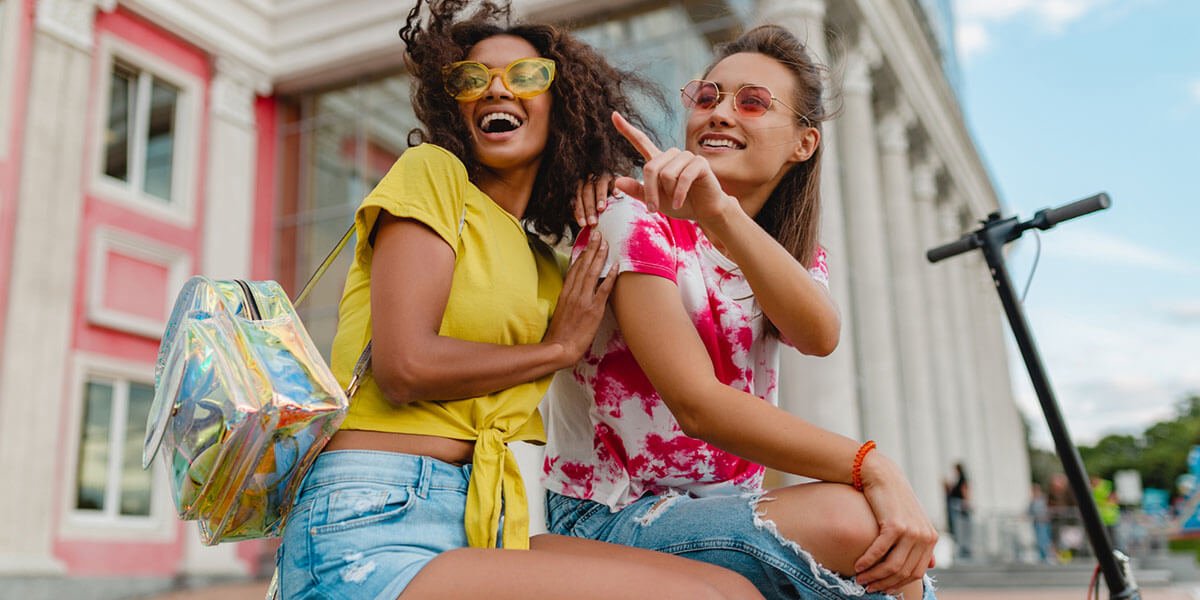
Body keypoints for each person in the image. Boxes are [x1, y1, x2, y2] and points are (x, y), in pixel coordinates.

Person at [275, 1, 765, 598]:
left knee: (730, 588)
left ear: (563, 107)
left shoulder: (552, 265)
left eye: (526, 77)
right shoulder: (432, 175)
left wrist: (632, 205)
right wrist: (557, 348)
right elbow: (404, 367)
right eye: (471, 80)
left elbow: (699, 320)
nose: (495, 91)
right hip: (375, 513)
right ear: (452, 105)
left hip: (487, 520)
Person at [541, 25, 937, 600]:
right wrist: (872, 465)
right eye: (708, 97)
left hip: (725, 510)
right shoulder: (630, 219)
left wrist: (720, 216)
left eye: (751, 102)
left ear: (804, 143)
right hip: (612, 511)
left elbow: (819, 335)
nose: (721, 113)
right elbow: (698, 406)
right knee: (858, 522)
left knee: (892, 558)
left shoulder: (787, 252)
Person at [946, 462, 972, 559]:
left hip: (958, 505)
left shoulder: (962, 479)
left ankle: (964, 549)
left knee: (961, 526)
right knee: (958, 527)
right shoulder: (958, 480)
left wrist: (966, 501)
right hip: (956, 504)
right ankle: (962, 548)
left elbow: (965, 490)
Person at [1029, 483, 1054, 563]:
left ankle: (1048, 557)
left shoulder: (1043, 499)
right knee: (1040, 542)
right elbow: (1029, 511)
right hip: (1037, 524)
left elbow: (1048, 510)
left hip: (1044, 523)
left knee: (1045, 541)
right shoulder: (1033, 501)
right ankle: (1043, 558)